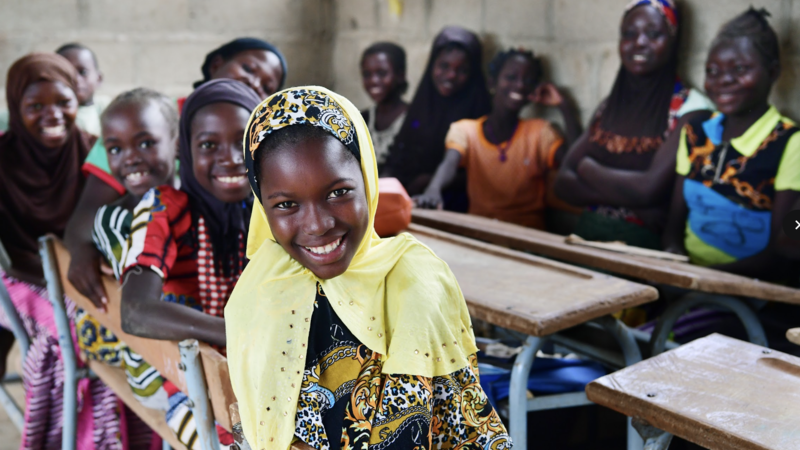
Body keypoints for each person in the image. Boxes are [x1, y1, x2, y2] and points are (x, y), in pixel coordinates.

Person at [226, 87, 511, 450]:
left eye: (336, 193)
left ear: (368, 179)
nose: (316, 225)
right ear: (261, 206)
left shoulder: (412, 281)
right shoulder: (263, 286)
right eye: (286, 204)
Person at [65, 37, 287, 314]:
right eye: (249, 69)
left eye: (268, 86)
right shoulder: (144, 116)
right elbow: (85, 220)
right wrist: (84, 249)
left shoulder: (263, 151)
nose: (256, 84)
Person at [0, 53, 152, 450]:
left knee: (123, 326)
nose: (52, 115)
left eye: (63, 103)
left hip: (85, 274)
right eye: (35, 107)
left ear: (78, 102)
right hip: (18, 276)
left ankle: (121, 436)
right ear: (16, 108)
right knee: (80, 336)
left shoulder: (95, 151)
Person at [555, 0, 714, 249]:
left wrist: (587, 168)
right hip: (584, 238)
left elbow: (647, 189)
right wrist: (636, 206)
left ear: (672, 40)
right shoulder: (609, 107)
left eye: (653, 34)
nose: (639, 42)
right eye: (629, 34)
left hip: (643, 249)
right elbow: (563, 183)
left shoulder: (691, 110)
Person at [663, 8, 800, 281]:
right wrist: (674, 263)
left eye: (740, 69)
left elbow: (780, 251)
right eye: (712, 71)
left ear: (773, 72)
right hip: (687, 280)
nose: (723, 80)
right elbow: (673, 224)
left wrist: (704, 280)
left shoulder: (789, 144)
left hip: (748, 290)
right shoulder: (695, 134)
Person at [416, 48, 581, 229]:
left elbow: (574, 166)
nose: (519, 85)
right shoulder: (465, 130)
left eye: (528, 81)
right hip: (479, 232)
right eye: (511, 77)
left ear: (534, 91)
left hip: (527, 236)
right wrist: (433, 189)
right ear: (492, 82)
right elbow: (449, 163)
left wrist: (564, 107)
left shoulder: (540, 132)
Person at [382, 26, 491, 202]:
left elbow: (482, 173)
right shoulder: (421, 106)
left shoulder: (479, 114)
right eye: (444, 66)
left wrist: (429, 181)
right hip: (407, 198)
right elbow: (399, 154)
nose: (451, 75)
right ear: (432, 64)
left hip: (454, 204)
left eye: (462, 70)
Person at [360, 42, 408, 171]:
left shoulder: (415, 120)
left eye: (381, 73)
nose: (373, 81)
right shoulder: (361, 120)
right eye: (367, 74)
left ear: (400, 75)